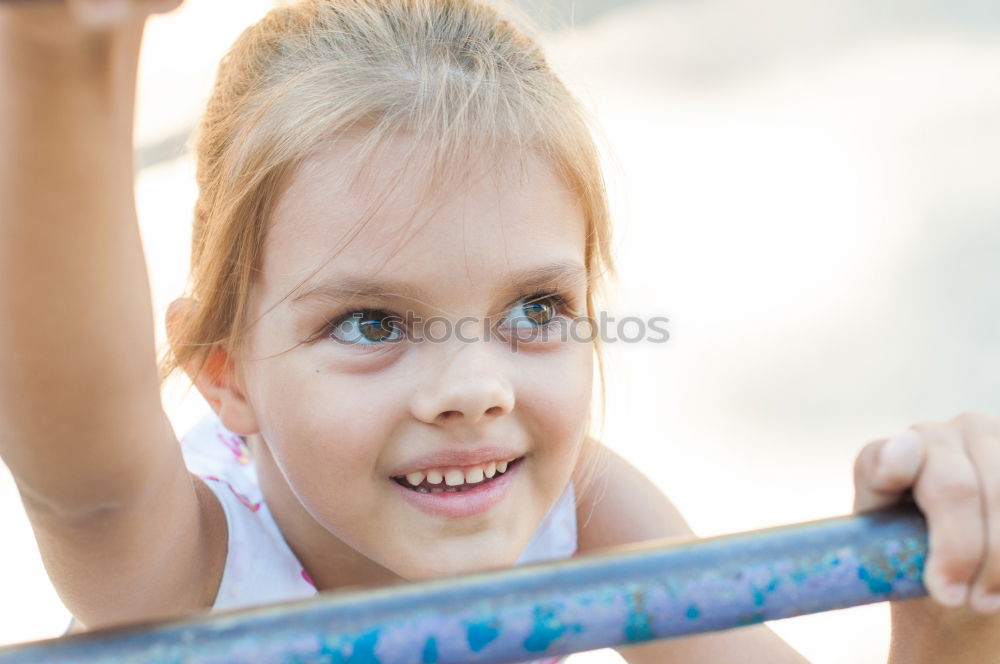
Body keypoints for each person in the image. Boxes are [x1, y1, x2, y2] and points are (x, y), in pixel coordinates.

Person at [0, 1, 998, 662]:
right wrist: (59, 54)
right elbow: (83, 472)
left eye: (535, 309)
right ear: (223, 370)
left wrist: (952, 605)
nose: (475, 387)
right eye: (371, 320)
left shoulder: (579, 503)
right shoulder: (192, 561)